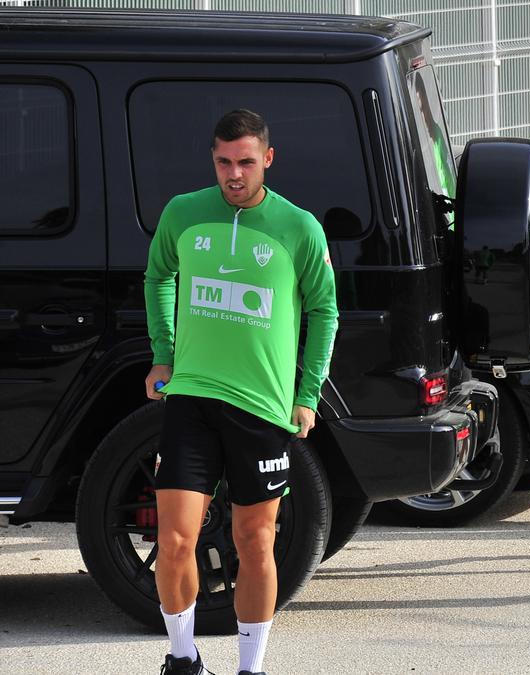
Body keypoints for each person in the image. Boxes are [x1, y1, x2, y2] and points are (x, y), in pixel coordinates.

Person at [144, 109, 338, 675]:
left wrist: (308, 392)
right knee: (176, 540)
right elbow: (159, 276)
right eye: (225, 162)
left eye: (246, 162)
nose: (235, 173)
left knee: (255, 543)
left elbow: (325, 310)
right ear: (213, 158)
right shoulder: (184, 213)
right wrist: (164, 352)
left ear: (267, 160)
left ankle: (250, 668)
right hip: (191, 399)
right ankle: (182, 658)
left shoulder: (298, 227)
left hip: (262, 407)